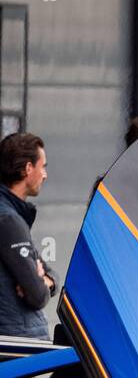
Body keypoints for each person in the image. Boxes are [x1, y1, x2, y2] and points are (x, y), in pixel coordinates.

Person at [0, 133, 56, 339]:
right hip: (15, 344)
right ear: (28, 169)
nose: (45, 175)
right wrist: (42, 281)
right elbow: (38, 295)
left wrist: (45, 279)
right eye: (43, 166)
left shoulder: (12, 216)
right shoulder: (8, 220)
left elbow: (50, 274)